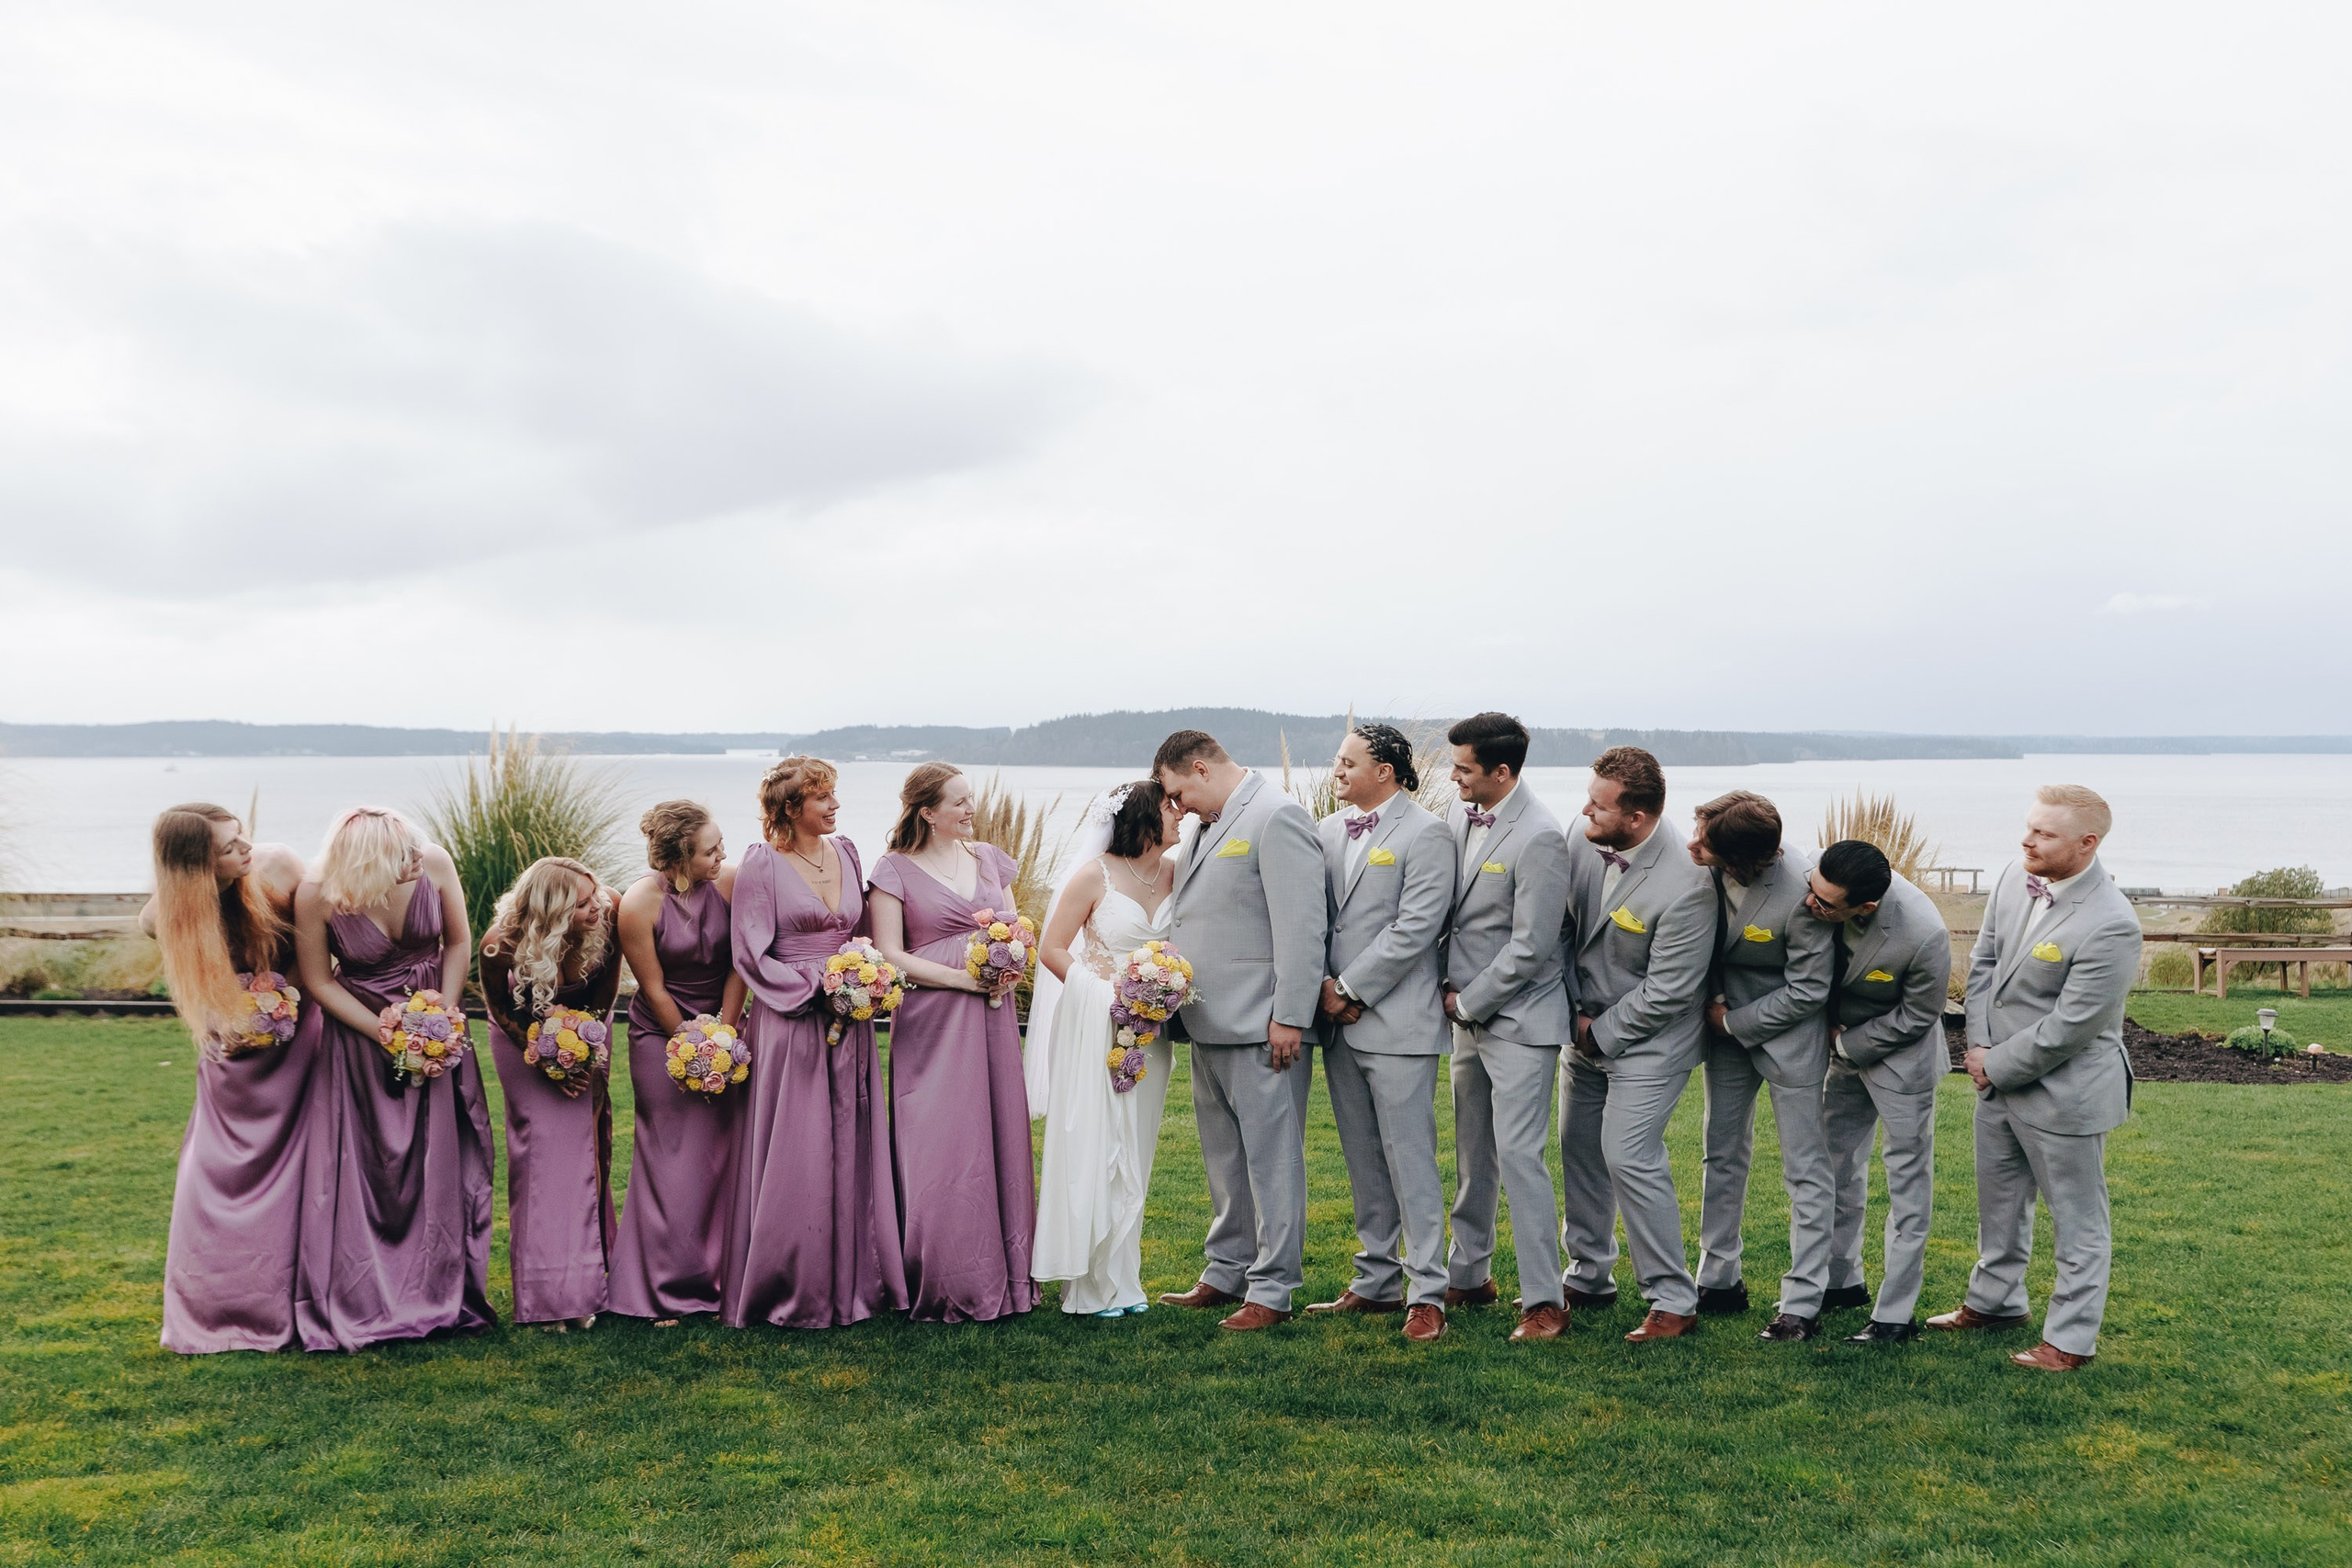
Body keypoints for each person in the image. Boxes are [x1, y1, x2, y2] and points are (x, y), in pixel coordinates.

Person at [1930, 785, 2140, 1372]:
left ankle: (2070, 1341)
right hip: (1994, 1077)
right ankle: (1995, 1303)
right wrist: (1977, 1044)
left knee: (2078, 1223)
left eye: (2044, 834)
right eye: (2028, 827)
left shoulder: (2113, 924)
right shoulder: (2010, 876)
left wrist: (1993, 1063)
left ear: (2087, 843)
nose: (2027, 840)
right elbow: (1984, 966)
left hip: (2066, 1093)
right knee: (1999, 1204)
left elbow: (2071, 1027)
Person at [294, 807, 494, 1349]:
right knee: (373, 1165)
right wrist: (385, 1034)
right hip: (360, 1038)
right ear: (367, 861)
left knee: (441, 1158)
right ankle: (369, 1291)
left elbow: (457, 943)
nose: (415, 860)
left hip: (436, 1026)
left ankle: (442, 1284)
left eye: (413, 849)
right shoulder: (316, 895)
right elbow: (317, 981)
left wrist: (440, 1019)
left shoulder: (433, 862)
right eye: (401, 855)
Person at [720, 756, 908, 1329]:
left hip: (849, 1018)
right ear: (788, 808)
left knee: (851, 1140)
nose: (834, 805)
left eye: (834, 795)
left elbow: (864, 933)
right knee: (798, 1147)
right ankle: (790, 1283)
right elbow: (751, 953)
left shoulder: (848, 852)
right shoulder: (762, 864)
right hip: (790, 1018)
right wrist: (817, 989)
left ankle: (855, 1280)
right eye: (822, 797)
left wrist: (864, 981)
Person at [1152, 729, 1328, 1331]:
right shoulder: (1205, 825)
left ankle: (1274, 1287)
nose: (1177, 807)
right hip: (1206, 1020)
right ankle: (1227, 1268)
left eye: (1178, 792)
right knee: (1225, 1158)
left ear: (1200, 768)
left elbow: (1302, 928)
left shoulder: (1278, 816)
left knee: (1272, 1159)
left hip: (1261, 1023)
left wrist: (1290, 1015)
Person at [143, 803, 324, 1354]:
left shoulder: (280, 868)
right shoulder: (163, 916)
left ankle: (301, 1300)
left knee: (302, 1174)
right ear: (197, 868)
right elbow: (201, 981)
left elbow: (319, 956)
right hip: (233, 1058)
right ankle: (221, 1305)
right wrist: (232, 1018)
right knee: (215, 1176)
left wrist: (281, 1002)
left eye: (241, 836)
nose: (246, 849)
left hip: (299, 1040)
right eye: (228, 848)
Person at [868, 762, 1040, 1324]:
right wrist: (968, 980)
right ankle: (942, 1276)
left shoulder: (988, 858)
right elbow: (890, 954)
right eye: (960, 802)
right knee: (940, 1141)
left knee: (995, 1133)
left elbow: (1014, 927)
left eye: (971, 800)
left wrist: (1008, 965)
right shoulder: (893, 869)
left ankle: (1007, 1277)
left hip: (992, 1017)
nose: (971, 810)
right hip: (932, 1019)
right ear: (927, 812)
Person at [1305, 724, 1457, 1342]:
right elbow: (1309, 917)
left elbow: (1416, 927)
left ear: (1387, 771)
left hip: (1397, 1024)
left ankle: (1428, 1292)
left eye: (1347, 763)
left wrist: (1349, 987)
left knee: (1409, 1157)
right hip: (1339, 1022)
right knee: (1364, 1157)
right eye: (1335, 761)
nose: (1336, 771)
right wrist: (1319, 983)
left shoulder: (1429, 834)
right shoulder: (1325, 831)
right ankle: (1374, 1279)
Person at [1558, 747, 1715, 1343]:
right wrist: (1570, 1011)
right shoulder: (1582, 832)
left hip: (1651, 1042)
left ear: (1639, 818)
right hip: (1583, 1025)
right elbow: (1566, 926)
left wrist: (1598, 1031)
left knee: (1627, 1154)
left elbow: (1671, 991)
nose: (1583, 811)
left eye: (1598, 805)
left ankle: (1674, 1299)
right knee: (1578, 1147)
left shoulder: (1687, 882)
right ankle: (1589, 1274)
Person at [1438, 713, 1575, 1342]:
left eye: (1464, 768)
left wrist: (1468, 1001)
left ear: (1502, 770)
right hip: (1465, 1016)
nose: (1454, 776)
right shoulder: (1459, 816)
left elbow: (1531, 947)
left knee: (1520, 1155)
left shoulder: (1542, 835)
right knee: (1473, 1152)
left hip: (1519, 1018)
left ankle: (1546, 1299)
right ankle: (1468, 1273)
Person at [1031, 780, 1187, 1316]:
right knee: (1097, 1144)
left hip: (1150, 1031)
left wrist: (1159, 993)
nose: (1181, 814)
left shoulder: (1177, 871)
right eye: (1171, 808)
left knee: (1136, 1151)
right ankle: (1090, 1286)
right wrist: (1106, 997)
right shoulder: (1093, 874)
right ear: (1145, 818)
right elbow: (1052, 949)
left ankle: (1125, 1282)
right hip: (1097, 1021)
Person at [1687, 791, 1837, 1342]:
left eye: (1703, 841)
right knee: (1721, 1150)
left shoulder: (1801, 891)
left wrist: (1733, 1021)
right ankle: (1718, 1277)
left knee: (1805, 1168)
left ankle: (1802, 1301)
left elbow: (1810, 989)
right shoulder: (1700, 866)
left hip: (1787, 1038)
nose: (1690, 845)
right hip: (1723, 1030)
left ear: (1748, 858)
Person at [1807, 840, 1953, 1345]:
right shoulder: (1817, 889)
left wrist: (1849, 1045)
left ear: (1866, 907)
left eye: (1825, 904)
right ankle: (1840, 1279)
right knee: (1835, 1166)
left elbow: (1920, 1014)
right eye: (1812, 890)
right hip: (1838, 1052)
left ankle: (1895, 1314)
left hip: (1901, 1061)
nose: (1810, 904)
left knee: (1907, 1186)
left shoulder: (1923, 932)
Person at [609, 800, 747, 1326]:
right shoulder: (639, 904)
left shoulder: (732, 884)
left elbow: (741, 963)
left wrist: (724, 1038)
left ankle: (719, 1279)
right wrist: (691, 1046)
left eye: (720, 845)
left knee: (723, 1155)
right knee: (670, 1159)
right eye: (710, 850)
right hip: (660, 1033)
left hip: (726, 1024)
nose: (722, 855)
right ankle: (663, 1288)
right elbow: (653, 987)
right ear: (678, 857)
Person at [479, 856, 624, 1332]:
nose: (595, 907)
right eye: (582, 904)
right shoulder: (500, 945)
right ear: (552, 911)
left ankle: (585, 1288)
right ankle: (545, 1298)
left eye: (595, 895)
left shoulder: (608, 914)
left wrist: (579, 1053)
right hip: (522, 1043)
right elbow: (500, 1010)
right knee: (539, 1160)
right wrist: (544, 1059)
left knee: (585, 1154)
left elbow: (604, 997)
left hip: (586, 1036)